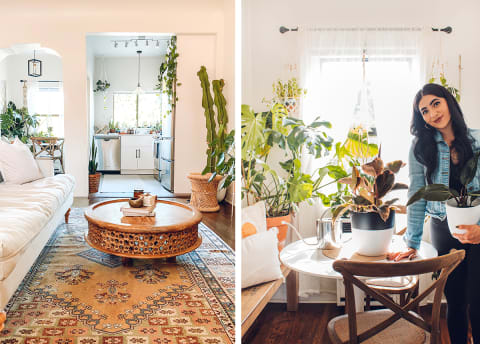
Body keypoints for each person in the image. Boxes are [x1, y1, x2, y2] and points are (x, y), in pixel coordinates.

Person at [387, 83, 480, 343]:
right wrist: (412, 243)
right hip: (443, 229)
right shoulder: (420, 147)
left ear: (448, 102)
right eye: (424, 111)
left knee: (478, 300)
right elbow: (417, 196)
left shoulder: (477, 140)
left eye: (436, 104)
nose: (432, 113)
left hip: (478, 229)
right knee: (455, 301)